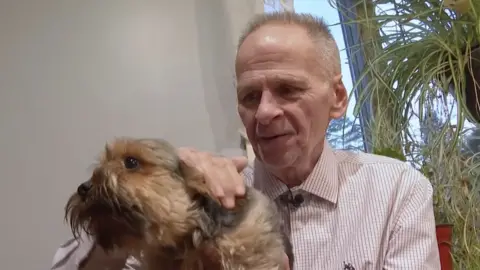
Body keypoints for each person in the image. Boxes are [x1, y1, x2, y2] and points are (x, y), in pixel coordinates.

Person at [51, 12, 441, 270]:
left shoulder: (396, 191)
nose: (266, 112)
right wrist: (118, 221)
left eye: (288, 89)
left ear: (337, 98)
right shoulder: (193, 200)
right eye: (250, 96)